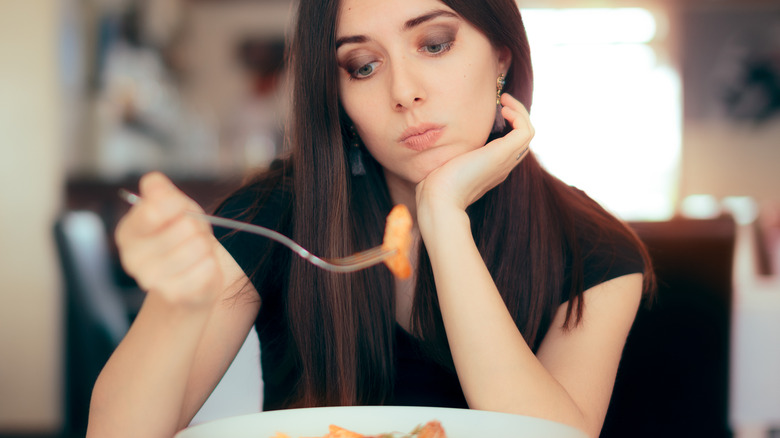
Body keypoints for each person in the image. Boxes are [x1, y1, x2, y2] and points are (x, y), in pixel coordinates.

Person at [87, 0, 655, 437]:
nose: (404, 91)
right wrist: (176, 305)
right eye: (362, 66)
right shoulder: (277, 211)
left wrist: (443, 215)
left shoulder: (597, 251)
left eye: (434, 44)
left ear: (502, 56)